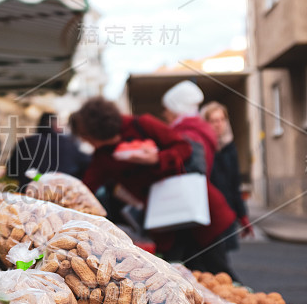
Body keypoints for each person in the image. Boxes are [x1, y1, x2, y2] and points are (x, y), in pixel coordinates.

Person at [70, 96, 237, 277]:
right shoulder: (102, 156)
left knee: (218, 271)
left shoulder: (142, 124)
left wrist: (157, 159)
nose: (85, 141)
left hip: (196, 208)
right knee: (175, 276)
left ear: (96, 131)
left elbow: (184, 148)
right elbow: (84, 189)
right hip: (164, 220)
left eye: (85, 136)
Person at [159, 81, 239, 277]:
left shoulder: (188, 133)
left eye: (167, 108)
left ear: (177, 109)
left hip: (192, 212)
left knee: (216, 271)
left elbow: (193, 170)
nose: (164, 114)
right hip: (196, 212)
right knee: (200, 271)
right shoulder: (195, 131)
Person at [201, 101, 254, 249]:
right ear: (205, 123)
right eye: (213, 121)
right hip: (208, 215)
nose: (219, 124)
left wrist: (243, 216)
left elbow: (234, 185)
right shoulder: (202, 147)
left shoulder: (230, 147)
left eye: (222, 120)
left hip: (227, 212)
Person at [6, 112, 90, 191]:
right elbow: (85, 165)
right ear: (55, 125)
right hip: (63, 197)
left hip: (29, 195)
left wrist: (38, 178)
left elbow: (12, 170)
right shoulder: (69, 145)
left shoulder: (26, 142)